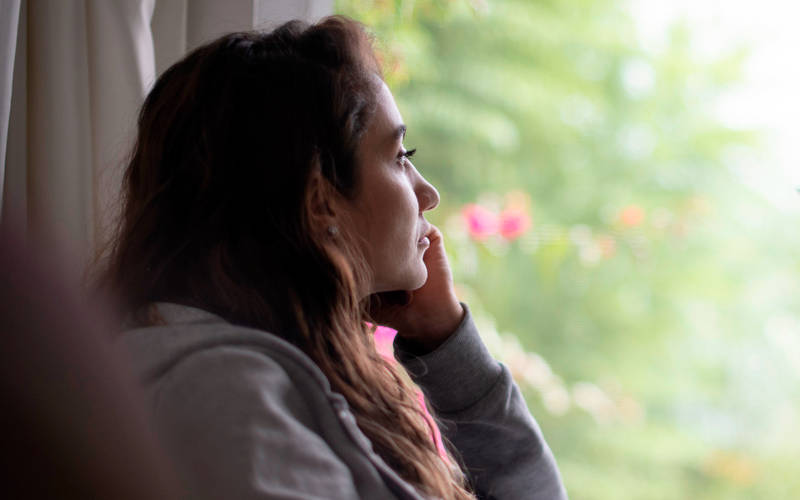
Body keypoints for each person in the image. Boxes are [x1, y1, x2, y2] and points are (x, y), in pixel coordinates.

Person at [95, 15, 567, 500]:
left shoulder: (264, 380)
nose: (429, 193)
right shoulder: (228, 396)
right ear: (319, 199)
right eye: (401, 155)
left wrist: (443, 339)